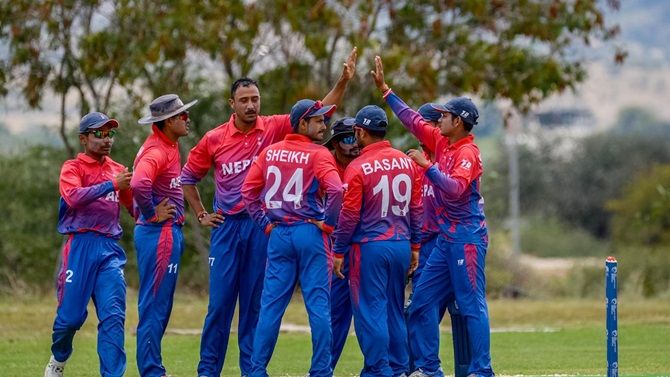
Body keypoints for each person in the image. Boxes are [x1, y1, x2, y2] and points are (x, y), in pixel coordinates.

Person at [180, 47, 357, 377]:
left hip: (264, 228)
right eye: (244, 100)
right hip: (229, 226)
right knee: (219, 306)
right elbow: (187, 178)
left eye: (255, 99)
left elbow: (319, 110)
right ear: (231, 104)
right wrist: (202, 214)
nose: (250, 105)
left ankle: (252, 371)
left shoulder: (275, 128)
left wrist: (343, 81)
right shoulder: (214, 138)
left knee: (255, 304)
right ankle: (208, 371)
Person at [371, 56, 493, 377]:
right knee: (421, 305)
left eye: (445, 117)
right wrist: (386, 91)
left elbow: (454, 189)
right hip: (444, 240)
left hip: (466, 237)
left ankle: (482, 371)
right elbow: (412, 119)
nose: (439, 121)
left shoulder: (468, 153)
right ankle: (430, 369)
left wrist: (428, 167)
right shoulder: (442, 141)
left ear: (459, 121)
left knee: (471, 305)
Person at [241, 98, 344, 377]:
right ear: (302, 123)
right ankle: (321, 371)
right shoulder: (320, 154)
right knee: (319, 306)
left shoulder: (269, 153)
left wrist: (264, 224)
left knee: (270, 308)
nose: (324, 125)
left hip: (279, 235)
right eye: (319, 120)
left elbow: (248, 192)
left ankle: (257, 371)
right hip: (310, 232)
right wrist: (329, 225)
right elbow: (336, 190)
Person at [332, 105, 423, 377]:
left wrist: (338, 250)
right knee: (394, 310)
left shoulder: (358, 166)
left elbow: (348, 215)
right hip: (401, 244)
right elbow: (417, 208)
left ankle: (377, 370)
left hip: (368, 247)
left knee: (369, 313)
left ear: (360, 131)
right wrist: (415, 246)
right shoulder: (407, 162)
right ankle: (397, 369)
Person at [45, 112, 133, 377]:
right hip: (80, 247)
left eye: (110, 134)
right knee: (70, 319)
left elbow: (134, 207)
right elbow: (72, 197)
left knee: (114, 317)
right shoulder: (73, 168)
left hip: (109, 250)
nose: (106, 139)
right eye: (99, 134)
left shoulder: (119, 170)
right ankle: (59, 358)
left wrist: (156, 213)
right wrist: (111, 185)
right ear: (83, 139)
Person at [132, 94, 197, 377]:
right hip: (160, 233)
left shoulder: (170, 146)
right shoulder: (157, 150)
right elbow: (138, 183)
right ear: (169, 121)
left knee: (160, 303)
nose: (187, 119)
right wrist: (150, 213)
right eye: (182, 115)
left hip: (165, 233)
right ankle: (151, 371)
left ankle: (153, 368)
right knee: (155, 304)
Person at [408, 104, 471, 377]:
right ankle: (424, 366)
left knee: (460, 306)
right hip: (423, 243)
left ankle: (463, 368)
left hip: (448, 241)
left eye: (433, 123)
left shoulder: (452, 157)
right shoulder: (416, 161)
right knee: (421, 307)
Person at [322, 116, 359, 370]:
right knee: (335, 315)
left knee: (375, 312)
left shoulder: (366, 164)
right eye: (348, 138)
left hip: (366, 245)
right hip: (335, 250)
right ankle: (325, 368)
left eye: (357, 137)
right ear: (335, 143)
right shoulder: (324, 167)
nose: (355, 144)